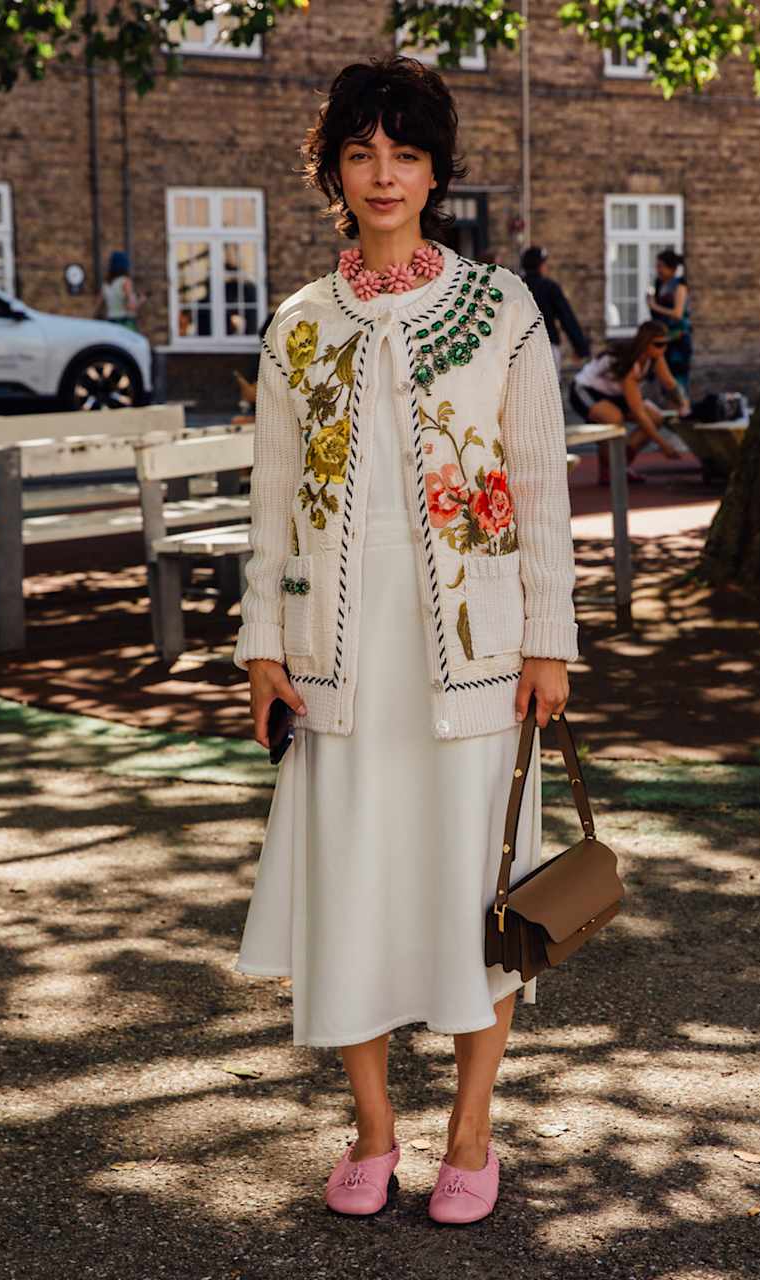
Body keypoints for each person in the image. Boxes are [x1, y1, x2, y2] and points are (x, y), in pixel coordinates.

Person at [234, 56, 577, 1226]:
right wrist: (261, 643)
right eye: (362, 153)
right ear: (333, 167)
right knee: (351, 889)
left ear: (437, 168)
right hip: (337, 652)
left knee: (479, 897)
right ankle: (375, 1130)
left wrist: (550, 639)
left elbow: (538, 481)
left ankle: (471, 1132)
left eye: (407, 154)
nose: (384, 175)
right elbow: (271, 498)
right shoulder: (299, 323)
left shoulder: (502, 308)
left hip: (477, 651)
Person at [569, 320, 690, 485]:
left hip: (616, 393)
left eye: (666, 343)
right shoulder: (630, 365)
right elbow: (638, 412)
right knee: (613, 419)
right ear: (645, 343)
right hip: (586, 389)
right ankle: (609, 468)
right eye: (658, 344)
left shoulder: (655, 356)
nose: (663, 348)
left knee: (656, 417)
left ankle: (619, 464)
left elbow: (669, 383)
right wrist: (663, 444)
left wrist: (683, 403)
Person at [521, 244, 590, 378]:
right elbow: (567, 318)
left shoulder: (517, 286)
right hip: (547, 345)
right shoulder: (550, 287)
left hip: (521, 349)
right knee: (549, 394)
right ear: (540, 265)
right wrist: (581, 348)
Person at [647, 249, 692, 391]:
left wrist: (655, 306)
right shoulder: (660, 285)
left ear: (671, 268)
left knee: (677, 380)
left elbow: (678, 313)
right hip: (665, 338)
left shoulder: (679, 286)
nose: (658, 270)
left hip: (677, 339)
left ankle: (682, 409)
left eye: (661, 266)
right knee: (665, 381)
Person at [96, 251, 143, 330]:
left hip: (111, 322)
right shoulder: (125, 282)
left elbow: (98, 306)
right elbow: (131, 306)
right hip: (125, 322)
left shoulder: (106, 284)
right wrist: (141, 300)